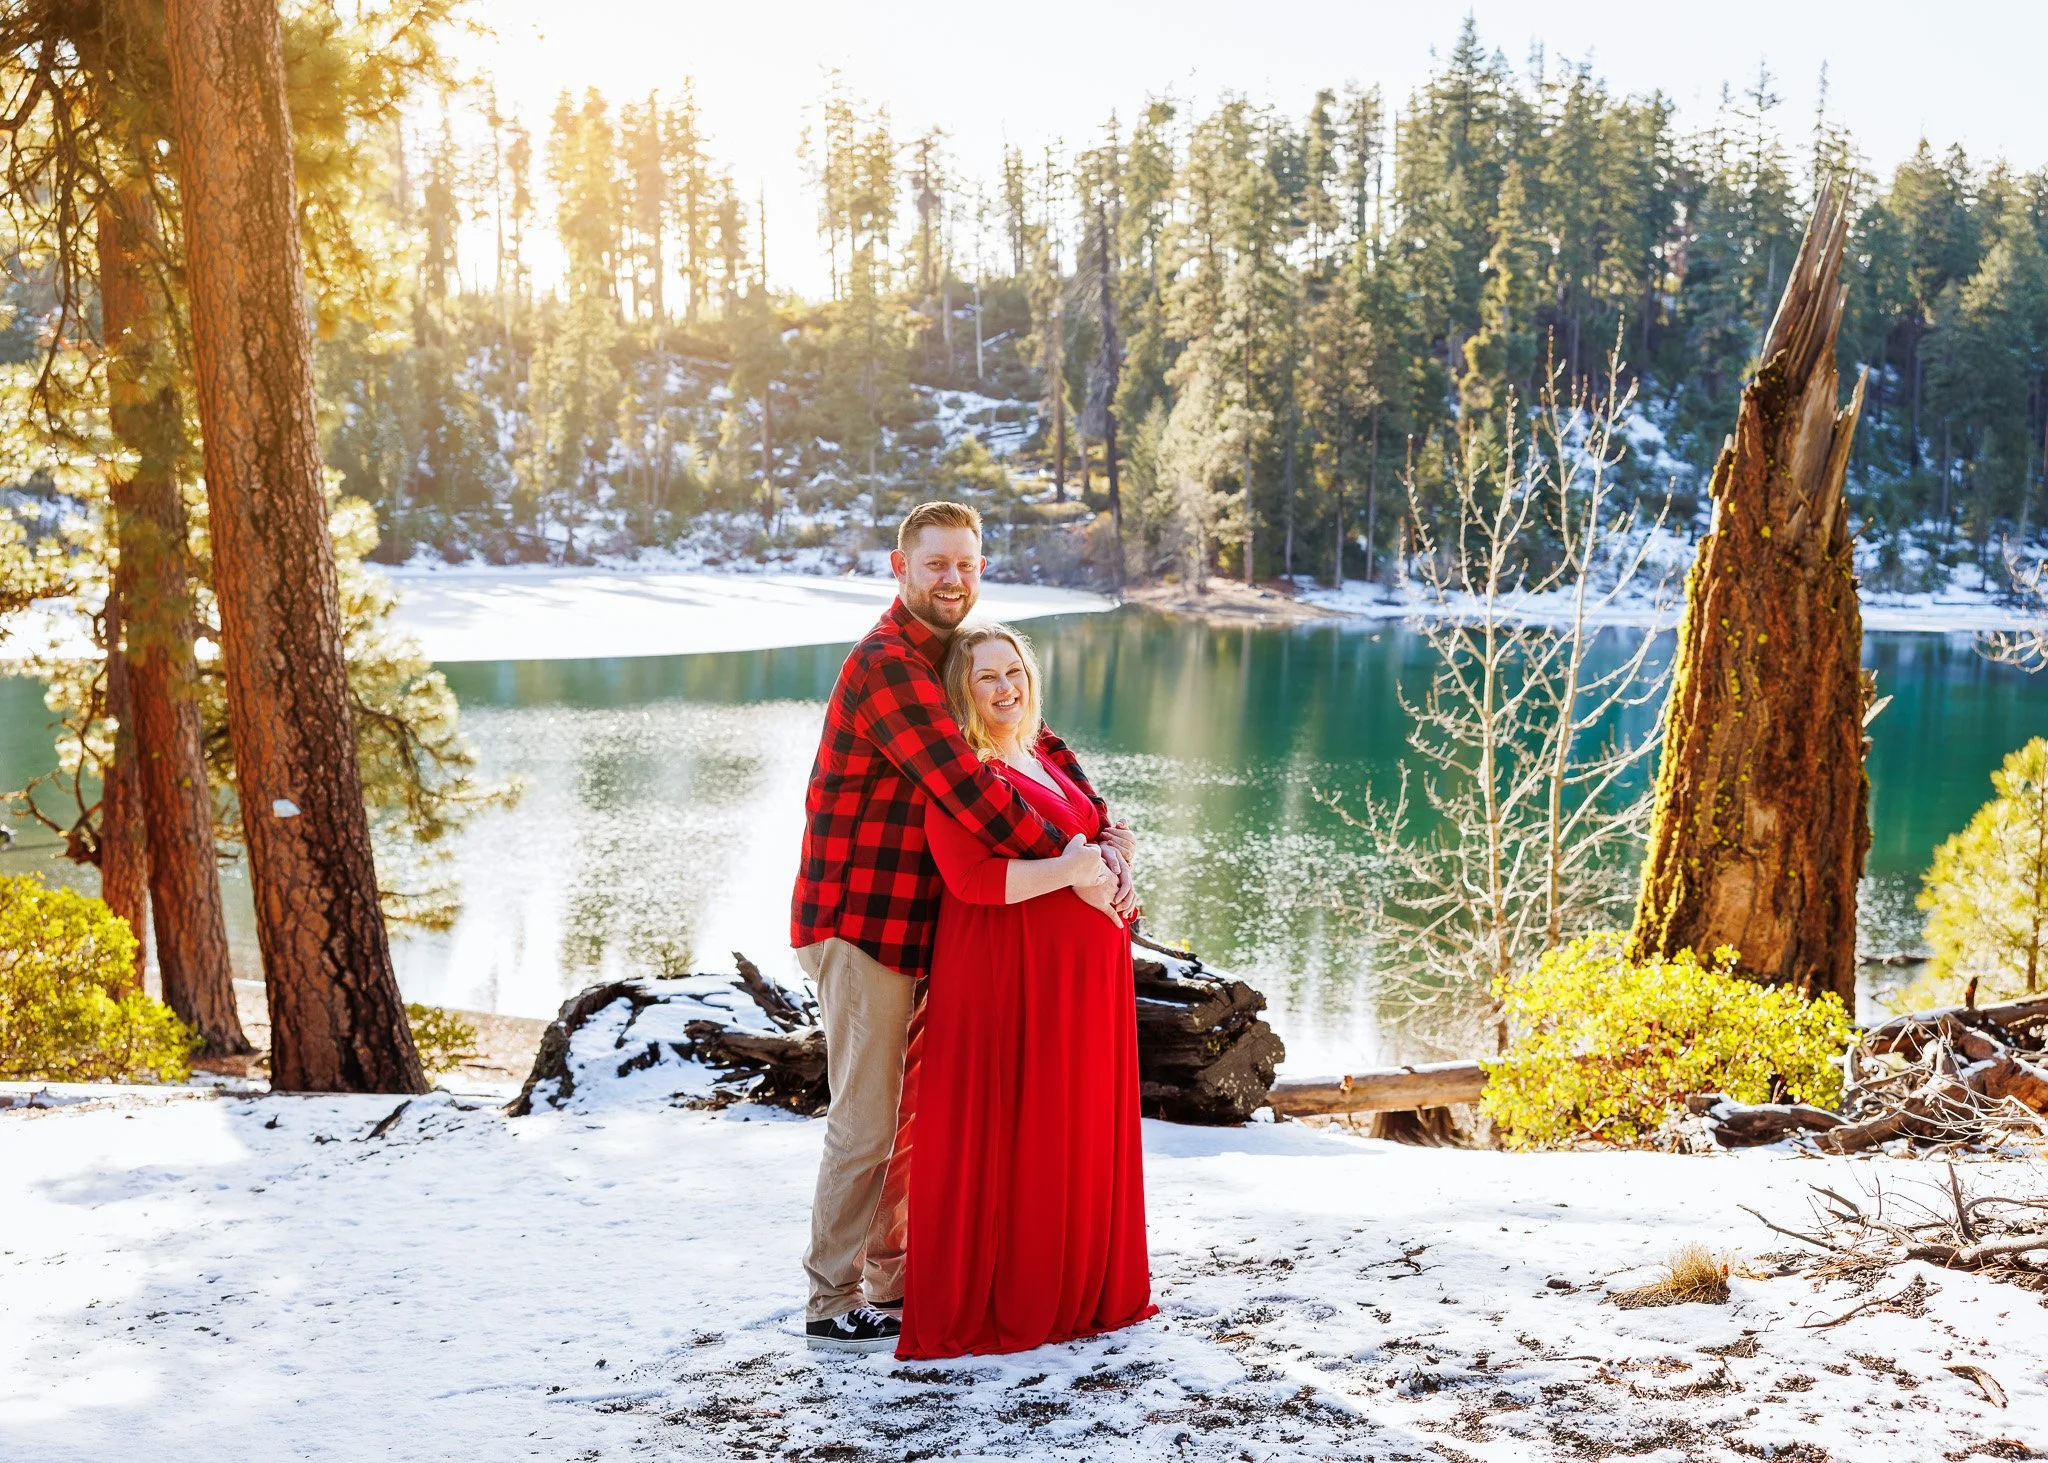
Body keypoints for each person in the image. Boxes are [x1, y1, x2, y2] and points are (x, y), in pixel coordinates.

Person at [790, 501, 1135, 1353]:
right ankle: (831, 1301)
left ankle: (893, 1279)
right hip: (859, 921)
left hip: (929, 925)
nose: (953, 579)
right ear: (899, 567)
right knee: (868, 1119)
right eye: (936, 563)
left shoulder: (954, 655)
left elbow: (1041, 747)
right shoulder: (886, 665)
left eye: (967, 565)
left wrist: (1104, 831)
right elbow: (969, 786)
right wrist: (1080, 863)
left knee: (913, 1120)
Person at [894, 623, 1154, 1359]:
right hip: (1009, 975)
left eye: (1014, 672)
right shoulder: (962, 773)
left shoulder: (1039, 755)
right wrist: (1072, 873)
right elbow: (971, 880)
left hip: (1081, 980)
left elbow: (1094, 831)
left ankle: (1082, 1288)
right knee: (1021, 1125)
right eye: (987, 677)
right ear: (961, 690)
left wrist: (1117, 858)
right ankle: (1019, 1295)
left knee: (1071, 1123)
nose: (1006, 688)